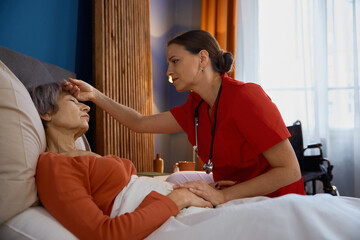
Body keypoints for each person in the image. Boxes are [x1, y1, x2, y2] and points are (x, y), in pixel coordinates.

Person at [64, 29, 306, 208]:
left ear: (202, 59)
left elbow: (290, 171)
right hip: (239, 197)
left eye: (175, 61)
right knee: (177, 181)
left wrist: (222, 196)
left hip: (276, 202)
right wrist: (94, 95)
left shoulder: (246, 97)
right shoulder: (196, 106)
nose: (168, 71)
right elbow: (139, 123)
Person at [28, 82, 212, 240]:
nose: (87, 107)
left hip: (179, 208)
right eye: (73, 101)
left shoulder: (80, 156)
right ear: (46, 113)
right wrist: (178, 199)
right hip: (172, 215)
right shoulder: (52, 166)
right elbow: (105, 234)